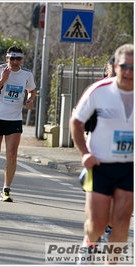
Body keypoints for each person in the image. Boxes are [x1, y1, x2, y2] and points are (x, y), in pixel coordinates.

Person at [69, 44, 133, 264]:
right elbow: (75, 122)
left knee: (121, 224)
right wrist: (85, 153)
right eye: (124, 66)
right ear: (115, 66)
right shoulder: (99, 90)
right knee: (97, 224)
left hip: (129, 167)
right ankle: (89, 245)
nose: (128, 71)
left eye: (133, 67)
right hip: (100, 165)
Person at [0, 45, 36, 202]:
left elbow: (32, 90)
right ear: (7, 58)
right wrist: (2, 80)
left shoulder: (26, 74)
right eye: (12, 58)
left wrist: (30, 99)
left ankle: (6, 189)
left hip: (14, 118)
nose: (15, 61)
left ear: (22, 60)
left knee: (12, 154)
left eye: (18, 58)